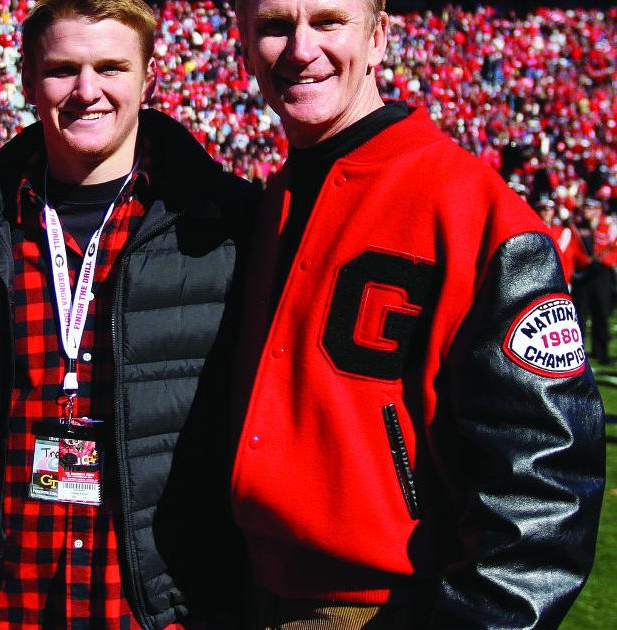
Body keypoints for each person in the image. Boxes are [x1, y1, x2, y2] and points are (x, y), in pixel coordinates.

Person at [228, 0, 605, 627]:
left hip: (379, 606)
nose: (298, 48)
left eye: (327, 22)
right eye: (273, 26)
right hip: (243, 592)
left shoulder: (476, 211)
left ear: (378, 38)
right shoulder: (265, 206)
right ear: (243, 43)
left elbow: (548, 483)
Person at [0, 0, 257, 627]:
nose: (88, 91)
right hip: (15, 592)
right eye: (64, 69)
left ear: (148, 78)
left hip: (158, 602)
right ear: (28, 78)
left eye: (111, 67)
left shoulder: (222, 223)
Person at [572, 197, 617, 364]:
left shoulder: (609, 226)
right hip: (583, 275)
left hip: (601, 274)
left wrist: (604, 260)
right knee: (579, 314)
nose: (586, 211)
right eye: (585, 208)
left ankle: (602, 353)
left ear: (598, 209)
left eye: (590, 208)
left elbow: (614, 248)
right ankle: (577, 353)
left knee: (601, 313)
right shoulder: (577, 226)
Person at [536, 196, 588, 290]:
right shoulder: (533, 231)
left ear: (554, 211)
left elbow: (574, 254)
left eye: (550, 209)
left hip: (562, 280)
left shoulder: (563, 232)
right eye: (543, 209)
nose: (547, 212)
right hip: (540, 282)